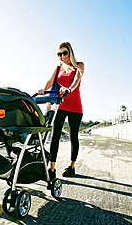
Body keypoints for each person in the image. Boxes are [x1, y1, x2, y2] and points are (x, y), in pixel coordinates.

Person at [38, 41, 84, 178]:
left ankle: (72, 166)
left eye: (64, 53)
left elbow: (77, 79)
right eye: (59, 54)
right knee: (55, 136)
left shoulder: (79, 66)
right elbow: (50, 82)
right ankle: (52, 169)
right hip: (60, 105)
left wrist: (69, 89)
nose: (62, 56)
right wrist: (43, 90)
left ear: (70, 52)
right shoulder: (58, 68)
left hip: (75, 107)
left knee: (73, 137)